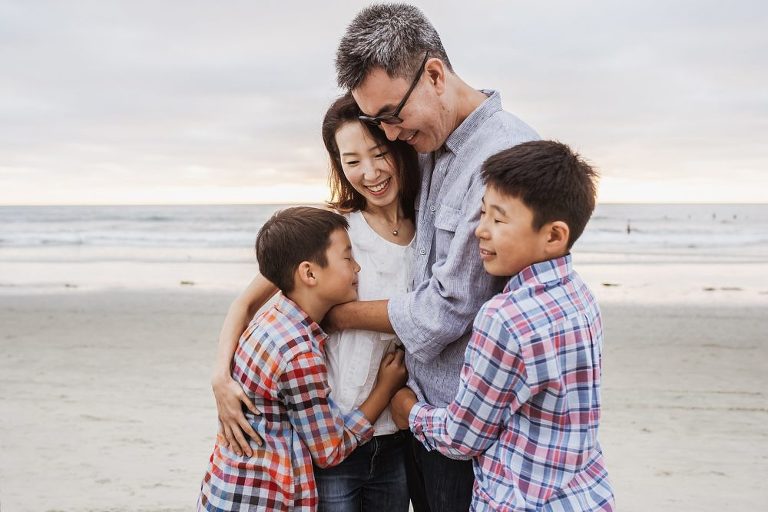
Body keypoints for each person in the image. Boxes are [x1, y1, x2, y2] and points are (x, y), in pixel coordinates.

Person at [327, 4, 540, 510]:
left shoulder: (503, 157)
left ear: (436, 75)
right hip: (417, 420)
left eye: (391, 118)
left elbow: (446, 309)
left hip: (468, 431)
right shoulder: (430, 143)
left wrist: (338, 316)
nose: (392, 136)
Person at [211, 94, 419, 510]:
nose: (371, 172)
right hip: (328, 439)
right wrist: (220, 377)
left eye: (379, 154)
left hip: (396, 435)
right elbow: (247, 304)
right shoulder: (336, 231)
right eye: (352, 160)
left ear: (397, 147)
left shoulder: (427, 231)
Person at [390, 141, 615, 511]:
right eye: (482, 214)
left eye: (499, 218)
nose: (480, 230)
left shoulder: (504, 318)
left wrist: (409, 411)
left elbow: (463, 437)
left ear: (554, 235)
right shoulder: (582, 297)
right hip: (583, 496)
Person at [198, 207, 408, 511]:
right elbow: (329, 450)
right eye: (348, 258)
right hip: (263, 500)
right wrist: (385, 390)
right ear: (309, 273)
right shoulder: (299, 353)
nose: (358, 269)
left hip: (227, 489)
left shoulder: (270, 318)